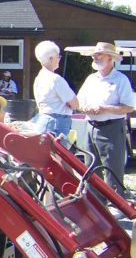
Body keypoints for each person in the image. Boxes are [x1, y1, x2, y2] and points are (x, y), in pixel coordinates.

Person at [77, 42, 136, 202]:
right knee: (90, 168)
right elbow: (79, 102)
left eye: (99, 55)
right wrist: (86, 108)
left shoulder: (120, 79)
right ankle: (95, 206)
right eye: (94, 55)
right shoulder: (91, 79)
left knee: (113, 171)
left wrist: (106, 108)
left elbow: (129, 106)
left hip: (111, 129)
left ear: (110, 58)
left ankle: (116, 206)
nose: (95, 57)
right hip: (90, 128)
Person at [30, 41, 78, 140]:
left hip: (43, 120)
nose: (59, 58)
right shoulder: (56, 79)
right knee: (58, 155)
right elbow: (75, 104)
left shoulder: (38, 78)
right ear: (51, 58)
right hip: (57, 123)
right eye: (58, 56)